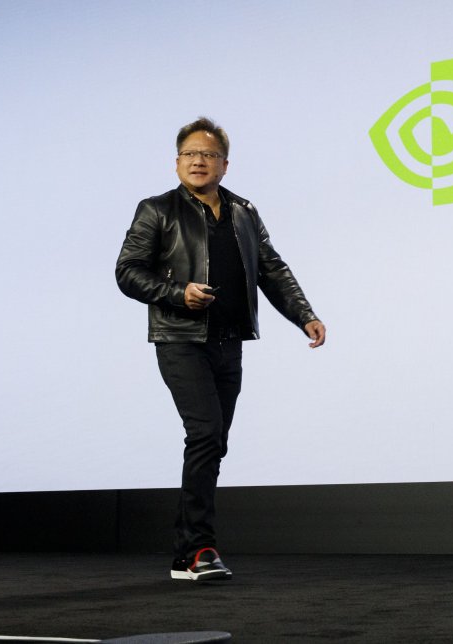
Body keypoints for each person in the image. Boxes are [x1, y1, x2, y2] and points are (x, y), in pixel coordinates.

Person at [116, 117, 326, 582]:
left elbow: (271, 269)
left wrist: (304, 315)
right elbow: (128, 271)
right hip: (181, 340)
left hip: (230, 342)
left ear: (224, 165)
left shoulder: (244, 211)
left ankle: (186, 552)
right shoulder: (157, 210)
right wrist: (177, 293)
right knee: (206, 435)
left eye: (208, 154)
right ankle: (198, 549)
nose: (199, 161)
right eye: (190, 153)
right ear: (176, 162)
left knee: (215, 443)